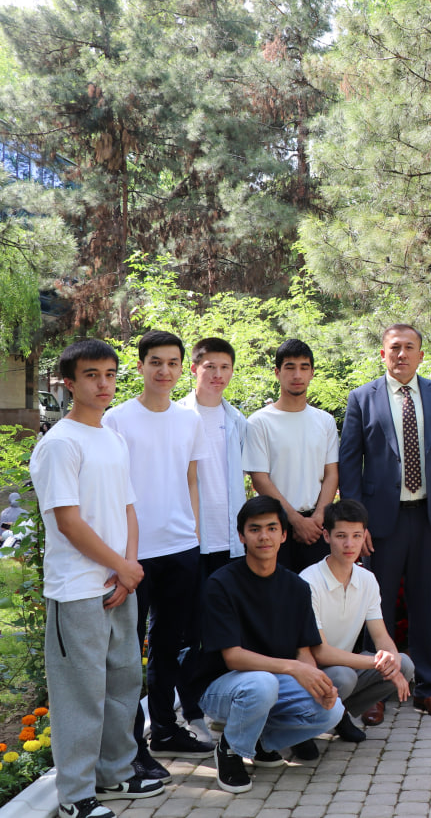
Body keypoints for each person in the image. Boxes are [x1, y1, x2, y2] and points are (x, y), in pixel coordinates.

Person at [30, 339, 164, 818]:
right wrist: (120, 568)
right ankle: (75, 797)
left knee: (124, 686)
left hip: (118, 586)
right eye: (92, 375)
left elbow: (128, 508)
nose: (103, 383)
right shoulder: (59, 444)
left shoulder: (112, 437)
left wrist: (127, 572)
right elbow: (68, 522)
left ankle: (115, 774)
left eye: (110, 374)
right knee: (80, 696)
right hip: (78, 591)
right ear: (69, 384)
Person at [338, 324, 431, 721]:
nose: (401, 354)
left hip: (427, 519)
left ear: (420, 355)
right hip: (380, 524)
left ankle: (427, 687)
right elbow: (349, 466)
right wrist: (355, 529)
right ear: (382, 353)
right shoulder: (363, 398)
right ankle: (374, 690)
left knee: (421, 601)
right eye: (394, 348)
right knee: (373, 606)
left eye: (409, 347)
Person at [103, 331, 215, 776]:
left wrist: (196, 535)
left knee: (169, 645)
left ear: (181, 366)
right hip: (134, 555)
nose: (163, 371)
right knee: (129, 652)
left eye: (171, 362)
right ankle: (130, 746)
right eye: (155, 362)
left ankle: (165, 728)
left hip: (181, 548)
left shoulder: (189, 420)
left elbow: (190, 480)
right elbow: (111, 489)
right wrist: (119, 557)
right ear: (141, 365)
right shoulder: (117, 420)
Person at [194, 496, 345, 793]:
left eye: (272, 528)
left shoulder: (298, 588)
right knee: (262, 685)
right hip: (220, 688)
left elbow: (304, 652)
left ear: (284, 534)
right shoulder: (221, 584)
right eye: (255, 529)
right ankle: (231, 749)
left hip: (269, 682)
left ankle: (261, 740)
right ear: (241, 536)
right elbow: (233, 657)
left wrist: (318, 683)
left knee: (331, 710)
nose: (264, 536)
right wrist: (292, 668)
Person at [302, 499, 415, 744]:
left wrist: (392, 665)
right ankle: (304, 726)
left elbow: (381, 635)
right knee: (345, 677)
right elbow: (319, 652)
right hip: (309, 671)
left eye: (356, 535)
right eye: (341, 535)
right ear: (326, 536)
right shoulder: (309, 581)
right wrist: (376, 662)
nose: (349, 544)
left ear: (365, 535)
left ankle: (338, 714)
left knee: (404, 664)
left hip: (343, 666)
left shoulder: (367, 579)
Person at [243, 339, 339, 573]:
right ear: (277, 372)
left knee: (316, 600)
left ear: (312, 373)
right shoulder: (259, 422)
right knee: (276, 602)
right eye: (290, 367)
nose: (297, 374)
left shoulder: (324, 421)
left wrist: (317, 518)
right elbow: (260, 479)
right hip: (276, 527)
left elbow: (331, 473)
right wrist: (295, 520)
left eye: (304, 367)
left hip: (317, 526)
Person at [177, 337, 249, 578]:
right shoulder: (177, 417)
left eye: (225, 367)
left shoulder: (237, 420)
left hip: (231, 538)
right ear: (194, 368)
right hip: (187, 537)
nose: (218, 374)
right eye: (210, 366)